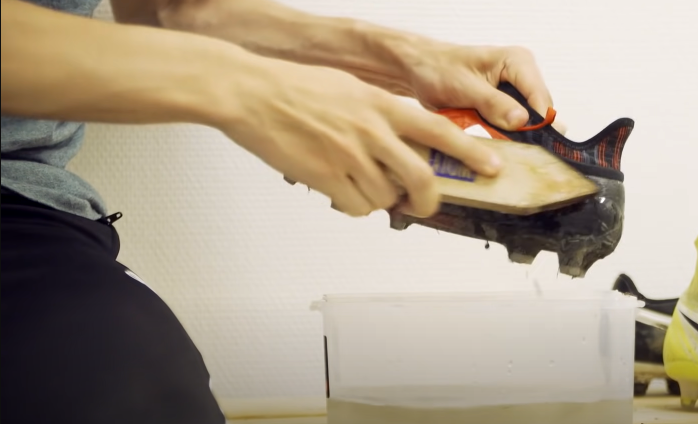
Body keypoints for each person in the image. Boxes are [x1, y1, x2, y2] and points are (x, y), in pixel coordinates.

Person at [0, 0, 558, 423]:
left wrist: (405, 58)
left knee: (133, 386)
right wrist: (244, 88)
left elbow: (171, 10)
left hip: (23, 210)